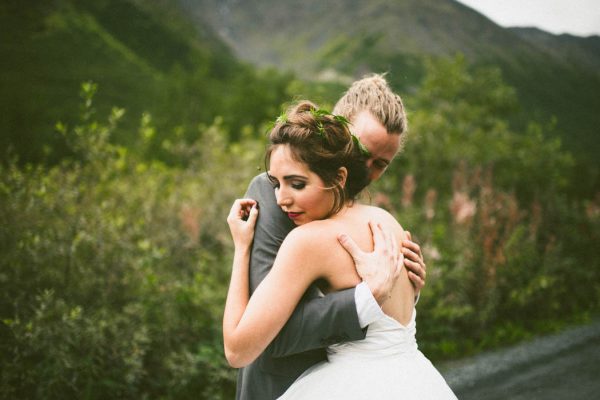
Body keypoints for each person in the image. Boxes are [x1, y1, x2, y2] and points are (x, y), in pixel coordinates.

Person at [224, 101, 456, 399]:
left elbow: (236, 349)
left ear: (339, 176)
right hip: (418, 382)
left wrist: (241, 249)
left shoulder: (309, 239)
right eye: (276, 184)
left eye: (296, 184)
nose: (281, 199)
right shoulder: (388, 223)